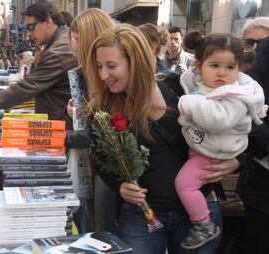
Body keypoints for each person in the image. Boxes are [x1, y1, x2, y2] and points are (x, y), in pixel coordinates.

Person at [84, 24, 240, 254]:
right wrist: (120, 186)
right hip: (142, 215)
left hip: (199, 215)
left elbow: (237, 123)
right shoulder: (102, 109)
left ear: (135, 61)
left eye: (111, 66)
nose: (103, 75)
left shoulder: (179, 87)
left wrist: (236, 161)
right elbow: (100, 157)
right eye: (99, 66)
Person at [175, 33, 266, 250]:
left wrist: (188, 104)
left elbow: (218, 120)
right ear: (199, 65)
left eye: (230, 67)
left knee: (184, 184)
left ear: (239, 68)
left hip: (216, 150)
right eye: (215, 65)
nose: (222, 73)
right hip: (207, 147)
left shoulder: (236, 94)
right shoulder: (208, 85)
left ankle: (203, 224)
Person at [0, 1, 77, 126]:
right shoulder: (61, 42)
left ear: (48, 22)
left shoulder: (58, 51)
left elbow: (26, 87)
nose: (28, 35)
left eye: (30, 27)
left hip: (63, 128)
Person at [66, 8, 116, 233]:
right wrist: (76, 114)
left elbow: (103, 127)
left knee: (102, 231)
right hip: (93, 165)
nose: (73, 45)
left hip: (109, 169)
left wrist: (66, 136)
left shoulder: (107, 76)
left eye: (76, 38)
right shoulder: (83, 73)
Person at [237, 20, 269, 254]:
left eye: (261, 42)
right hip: (260, 190)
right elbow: (243, 120)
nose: (255, 48)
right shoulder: (241, 75)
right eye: (250, 42)